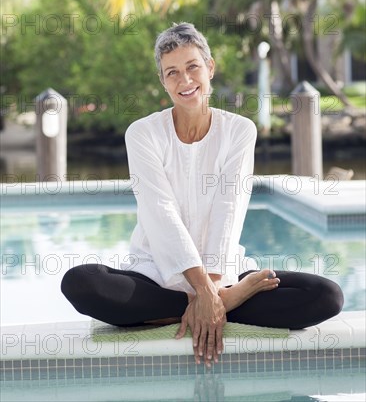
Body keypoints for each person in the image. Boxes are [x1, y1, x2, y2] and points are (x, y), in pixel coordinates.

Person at [61, 22, 344, 367]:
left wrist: (212, 288)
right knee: (81, 283)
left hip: (223, 272)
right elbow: (159, 212)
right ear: (162, 82)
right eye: (172, 73)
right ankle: (227, 303)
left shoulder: (239, 130)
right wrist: (209, 297)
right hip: (156, 278)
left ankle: (195, 306)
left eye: (192, 67)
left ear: (210, 68)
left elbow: (230, 209)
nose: (185, 81)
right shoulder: (143, 134)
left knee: (326, 296)